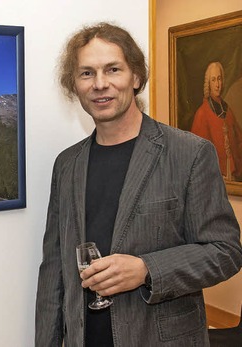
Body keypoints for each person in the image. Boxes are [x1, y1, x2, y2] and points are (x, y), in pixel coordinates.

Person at [35, 22, 242, 346]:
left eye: (112, 69)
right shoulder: (67, 165)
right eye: (86, 73)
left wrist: (147, 269)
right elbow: (54, 272)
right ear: (74, 85)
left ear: (136, 77)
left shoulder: (189, 153)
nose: (100, 84)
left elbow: (225, 252)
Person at [190, 61, 242, 181]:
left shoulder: (228, 111)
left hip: (232, 175)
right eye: (213, 80)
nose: (217, 84)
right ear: (208, 84)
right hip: (213, 177)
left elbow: (239, 141)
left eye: (219, 79)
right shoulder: (202, 113)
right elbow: (197, 153)